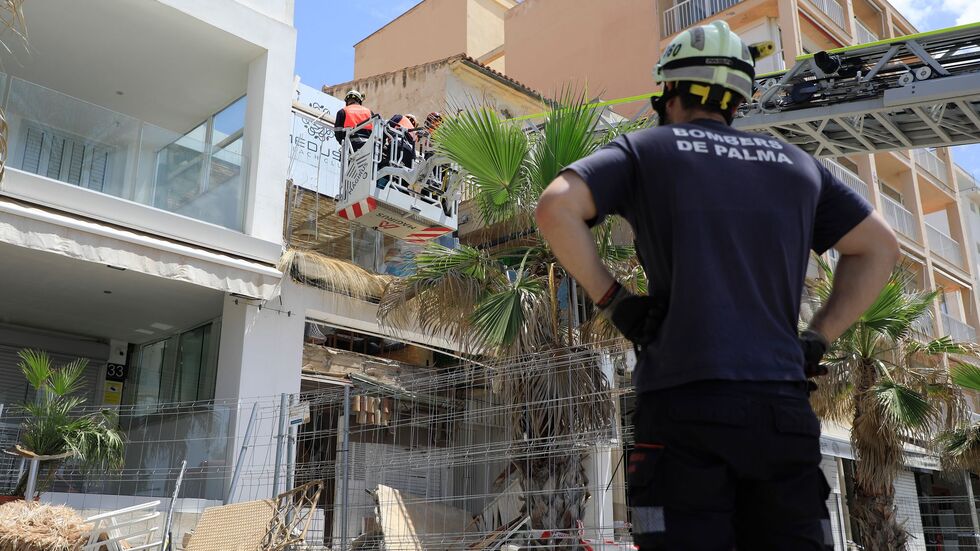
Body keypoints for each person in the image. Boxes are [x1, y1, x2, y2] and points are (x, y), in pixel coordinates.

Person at [535, 20, 899, 550]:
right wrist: (818, 337)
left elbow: (555, 207)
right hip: (780, 408)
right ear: (739, 100)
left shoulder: (646, 150)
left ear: (668, 91)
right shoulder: (799, 166)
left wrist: (615, 301)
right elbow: (880, 246)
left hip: (683, 401)